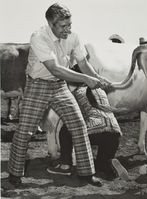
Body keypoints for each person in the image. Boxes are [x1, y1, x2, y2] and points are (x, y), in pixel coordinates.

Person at [7, 3, 111, 188]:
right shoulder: (38, 37)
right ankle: (14, 174)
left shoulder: (74, 36)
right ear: (51, 24)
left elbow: (83, 63)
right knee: (25, 131)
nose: (68, 29)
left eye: (70, 24)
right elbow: (55, 69)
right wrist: (87, 79)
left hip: (60, 87)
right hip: (37, 86)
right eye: (63, 26)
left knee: (79, 126)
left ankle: (87, 174)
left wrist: (97, 77)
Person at [46, 80, 129, 181]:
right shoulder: (100, 90)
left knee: (66, 130)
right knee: (100, 165)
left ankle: (65, 165)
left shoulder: (74, 94)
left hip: (95, 132)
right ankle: (109, 164)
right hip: (114, 134)